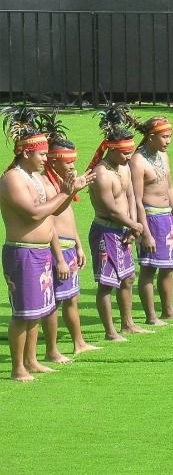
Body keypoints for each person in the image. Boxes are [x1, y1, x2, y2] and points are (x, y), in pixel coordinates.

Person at [1, 107, 93, 381]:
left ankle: (31, 360)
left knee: (37, 312)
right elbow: (34, 213)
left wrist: (71, 190)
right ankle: (18, 367)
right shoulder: (12, 179)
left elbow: (52, 211)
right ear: (26, 152)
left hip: (39, 253)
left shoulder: (34, 177)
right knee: (24, 313)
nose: (45, 158)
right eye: (42, 154)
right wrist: (65, 192)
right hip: (23, 253)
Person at [38, 118, 101, 360]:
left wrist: (79, 246)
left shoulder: (64, 183)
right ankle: (52, 351)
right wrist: (59, 258)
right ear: (54, 161)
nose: (73, 167)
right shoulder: (46, 184)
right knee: (53, 302)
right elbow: (50, 222)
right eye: (69, 162)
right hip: (56, 251)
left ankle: (79, 343)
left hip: (69, 248)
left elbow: (69, 217)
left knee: (72, 298)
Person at [86, 105, 149, 341]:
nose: (129, 157)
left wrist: (133, 225)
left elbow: (131, 195)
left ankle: (128, 324)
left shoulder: (123, 167)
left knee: (127, 277)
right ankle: (110, 331)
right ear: (111, 150)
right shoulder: (101, 174)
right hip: (105, 231)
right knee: (106, 283)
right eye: (124, 153)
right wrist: (133, 225)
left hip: (124, 229)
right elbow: (110, 209)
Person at [131, 116, 173, 326]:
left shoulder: (163, 155)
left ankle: (168, 311)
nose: (168, 141)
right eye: (164, 137)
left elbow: (169, 187)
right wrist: (145, 232)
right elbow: (136, 198)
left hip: (166, 216)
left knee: (168, 267)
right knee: (149, 267)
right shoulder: (138, 161)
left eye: (169, 137)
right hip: (151, 217)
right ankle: (151, 316)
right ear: (151, 137)